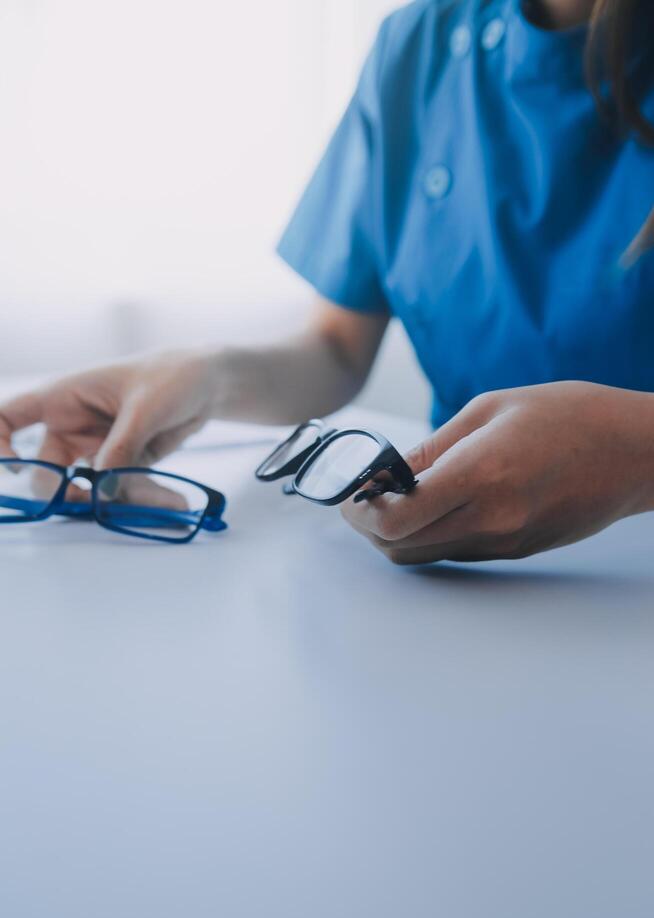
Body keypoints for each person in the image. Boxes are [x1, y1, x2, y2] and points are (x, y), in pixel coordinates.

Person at [0, 0, 652, 563]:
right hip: (455, 571)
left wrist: (635, 453)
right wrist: (205, 374)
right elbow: (337, 347)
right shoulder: (420, 43)